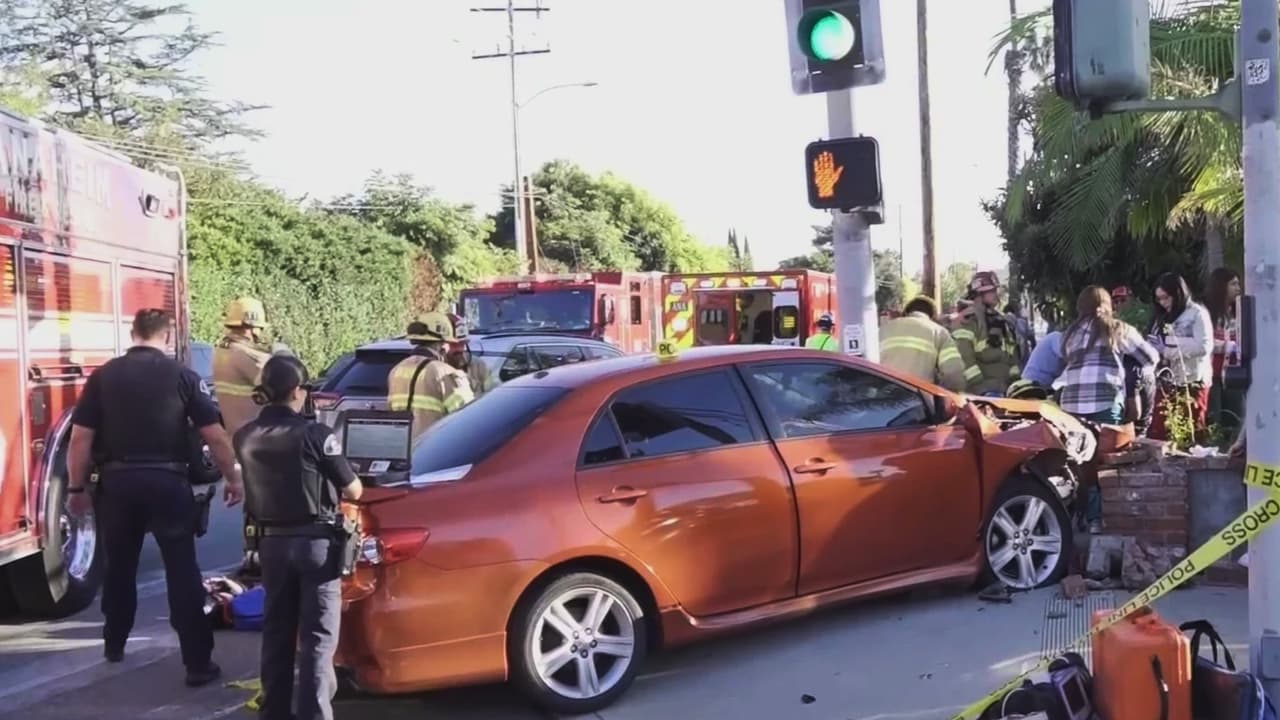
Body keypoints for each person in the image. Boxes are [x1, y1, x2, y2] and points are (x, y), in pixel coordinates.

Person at [65, 309, 242, 685]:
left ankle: (114, 643)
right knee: (182, 569)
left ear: (133, 333)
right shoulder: (184, 377)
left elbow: (80, 439)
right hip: (168, 483)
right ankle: (197, 664)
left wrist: (76, 489)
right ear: (167, 336)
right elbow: (214, 435)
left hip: (117, 485)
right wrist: (233, 478)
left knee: (119, 567)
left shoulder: (103, 376)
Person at [233, 355, 363, 720]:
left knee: (277, 633)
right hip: (315, 546)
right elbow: (353, 490)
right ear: (296, 391)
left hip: (271, 546)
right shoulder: (316, 435)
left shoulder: (244, 436)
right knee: (317, 639)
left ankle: (274, 711)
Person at [1056, 287, 1159, 532]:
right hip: (1105, 400)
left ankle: (1077, 515)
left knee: (1078, 461)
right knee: (1104, 462)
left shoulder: (1070, 334)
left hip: (1070, 405)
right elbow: (1151, 358)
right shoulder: (1117, 329)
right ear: (1107, 305)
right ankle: (1098, 519)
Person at [1146, 273, 1214, 442]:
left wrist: (1168, 349)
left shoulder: (1197, 314)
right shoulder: (1161, 316)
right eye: (1159, 299)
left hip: (1192, 381)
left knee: (1191, 431)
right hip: (1166, 381)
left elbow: (1203, 346)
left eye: (1166, 298)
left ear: (1178, 294)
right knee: (1160, 431)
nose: (1163, 303)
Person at [386, 312, 475, 442]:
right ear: (442, 345)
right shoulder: (446, 373)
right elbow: (469, 420)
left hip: (404, 449)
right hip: (435, 449)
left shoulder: (396, 371)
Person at [952, 271, 1022, 396]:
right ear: (978, 294)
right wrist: (979, 384)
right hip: (980, 392)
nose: (996, 294)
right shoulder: (969, 319)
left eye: (995, 290)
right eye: (991, 291)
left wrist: (1014, 379)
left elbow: (1012, 354)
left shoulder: (1001, 320)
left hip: (1004, 389)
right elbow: (963, 353)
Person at [212, 297, 273, 437]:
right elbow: (280, 384)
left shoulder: (222, 351)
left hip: (235, 436)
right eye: (260, 328)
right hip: (255, 439)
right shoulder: (245, 355)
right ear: (251, 328)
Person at [879, 295, 966, 391]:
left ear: (906, 312)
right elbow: (954, 373)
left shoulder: (884, 329)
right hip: (919, 396)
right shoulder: (939, 332)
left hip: (884, 395)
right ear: (932, 316)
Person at [1205, 267, 1244, 432]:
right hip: (1212, 372)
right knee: (1214, 418)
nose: (1238, 288)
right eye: (1233, 284)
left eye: (1238, 284)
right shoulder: (1207, 311)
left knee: (1235, 417)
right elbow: (1205, 341)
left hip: (1234, 372)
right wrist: (1228, 346)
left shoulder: (1239, 311)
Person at [445, 313, 496, 397]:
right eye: (453, 344)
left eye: (462, 344)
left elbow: (493, 395)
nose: (459, 349)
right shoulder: (434, 370)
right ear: (441, 344)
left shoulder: (479, 366)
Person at [1007, 329, 1065, 401]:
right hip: (1032, 383)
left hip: (1043, 384)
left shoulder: (1057, 338)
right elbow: (1067, 353)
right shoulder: (1057, 337)